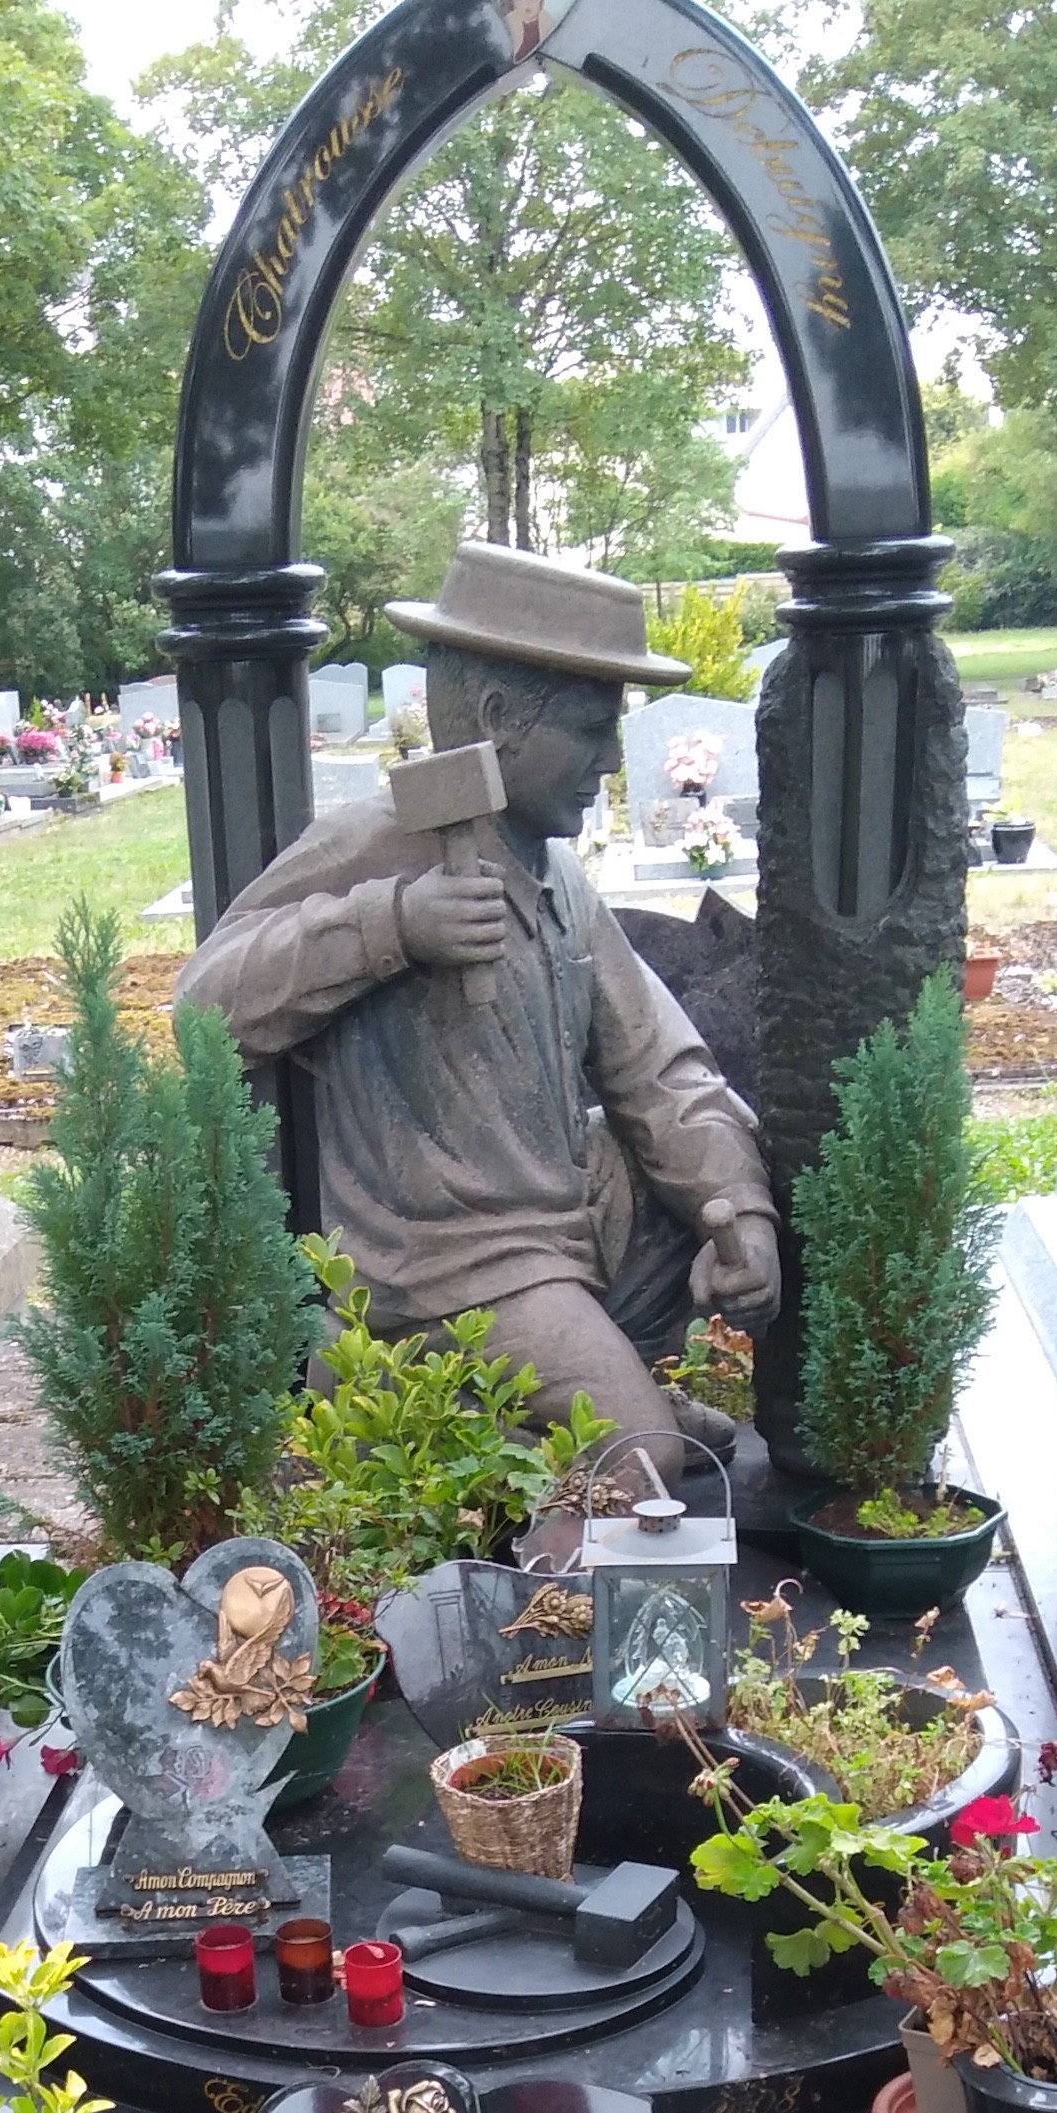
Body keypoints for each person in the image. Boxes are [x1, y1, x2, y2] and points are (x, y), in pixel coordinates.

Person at [173, 545, 780, 1458]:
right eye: (588, 728)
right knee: (646, 1463)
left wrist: (741, 1209)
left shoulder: (559, 876)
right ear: (496, 719)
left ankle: (573, 1400)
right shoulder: (384, 843)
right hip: (444, 1274)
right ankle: (539, 1436)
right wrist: (391, 925)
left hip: (554, 1237)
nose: (613, 758)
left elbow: (660, 1068)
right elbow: (204, 1009)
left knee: (665, 1178)